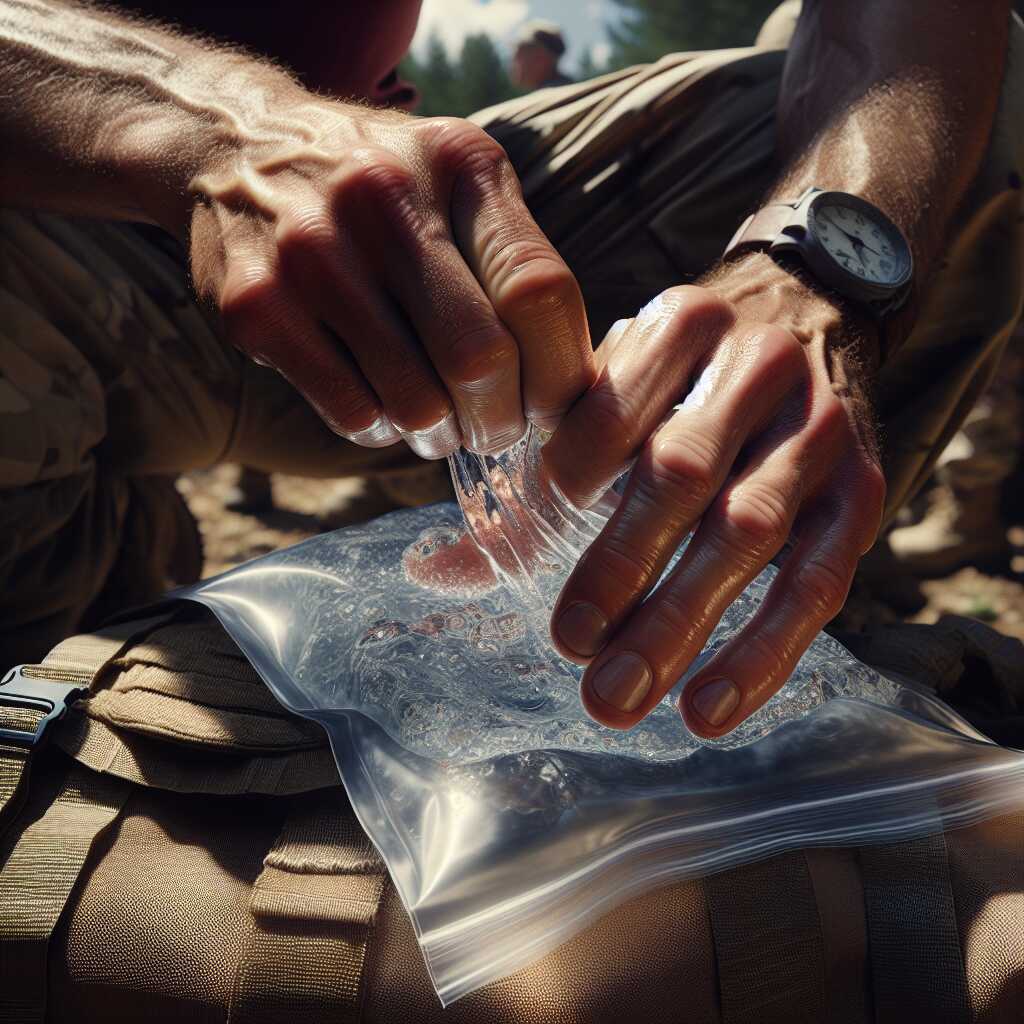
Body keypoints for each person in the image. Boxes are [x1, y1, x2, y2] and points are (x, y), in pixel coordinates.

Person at [0, 0, 1018, 743]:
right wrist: (216, 124)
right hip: (68, 208)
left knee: (979, 103)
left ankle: (775, 608)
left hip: (416, 247)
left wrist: (813, 271)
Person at [510, 19, 573, 91]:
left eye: (519, 55)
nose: (514, 61)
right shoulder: (568, 92)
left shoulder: (558, 96)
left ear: (541, 59)